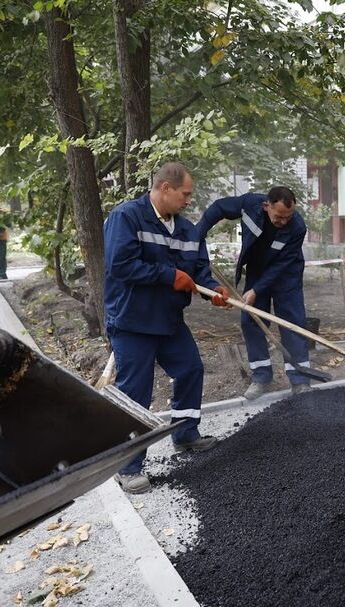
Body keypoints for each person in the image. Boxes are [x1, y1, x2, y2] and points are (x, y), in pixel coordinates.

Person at [103, 161, 230, 494]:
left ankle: (185, 434)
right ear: (165, 189)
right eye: (185, 194)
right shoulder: (127, 217)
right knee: (136, 393)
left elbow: (198, 271)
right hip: (133, 322)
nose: (188, 201)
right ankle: (127, 467)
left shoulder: (188, 231)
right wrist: (168, 275)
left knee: (190, 369)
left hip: (169, 321)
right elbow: (121, 265)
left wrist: (212, 290)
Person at [197, 186, 312, 399]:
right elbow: (219, 207)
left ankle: (300, 380)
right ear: (266, 206)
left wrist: (257, 290)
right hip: (257, 271)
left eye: (289, 216)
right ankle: (261, 377)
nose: (284, 221)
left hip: (287, 275)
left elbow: (281, 265)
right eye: (279, 216)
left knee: (292, 323)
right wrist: (197, 233)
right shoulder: (250, 205)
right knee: (251, 321)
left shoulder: (297, 227)